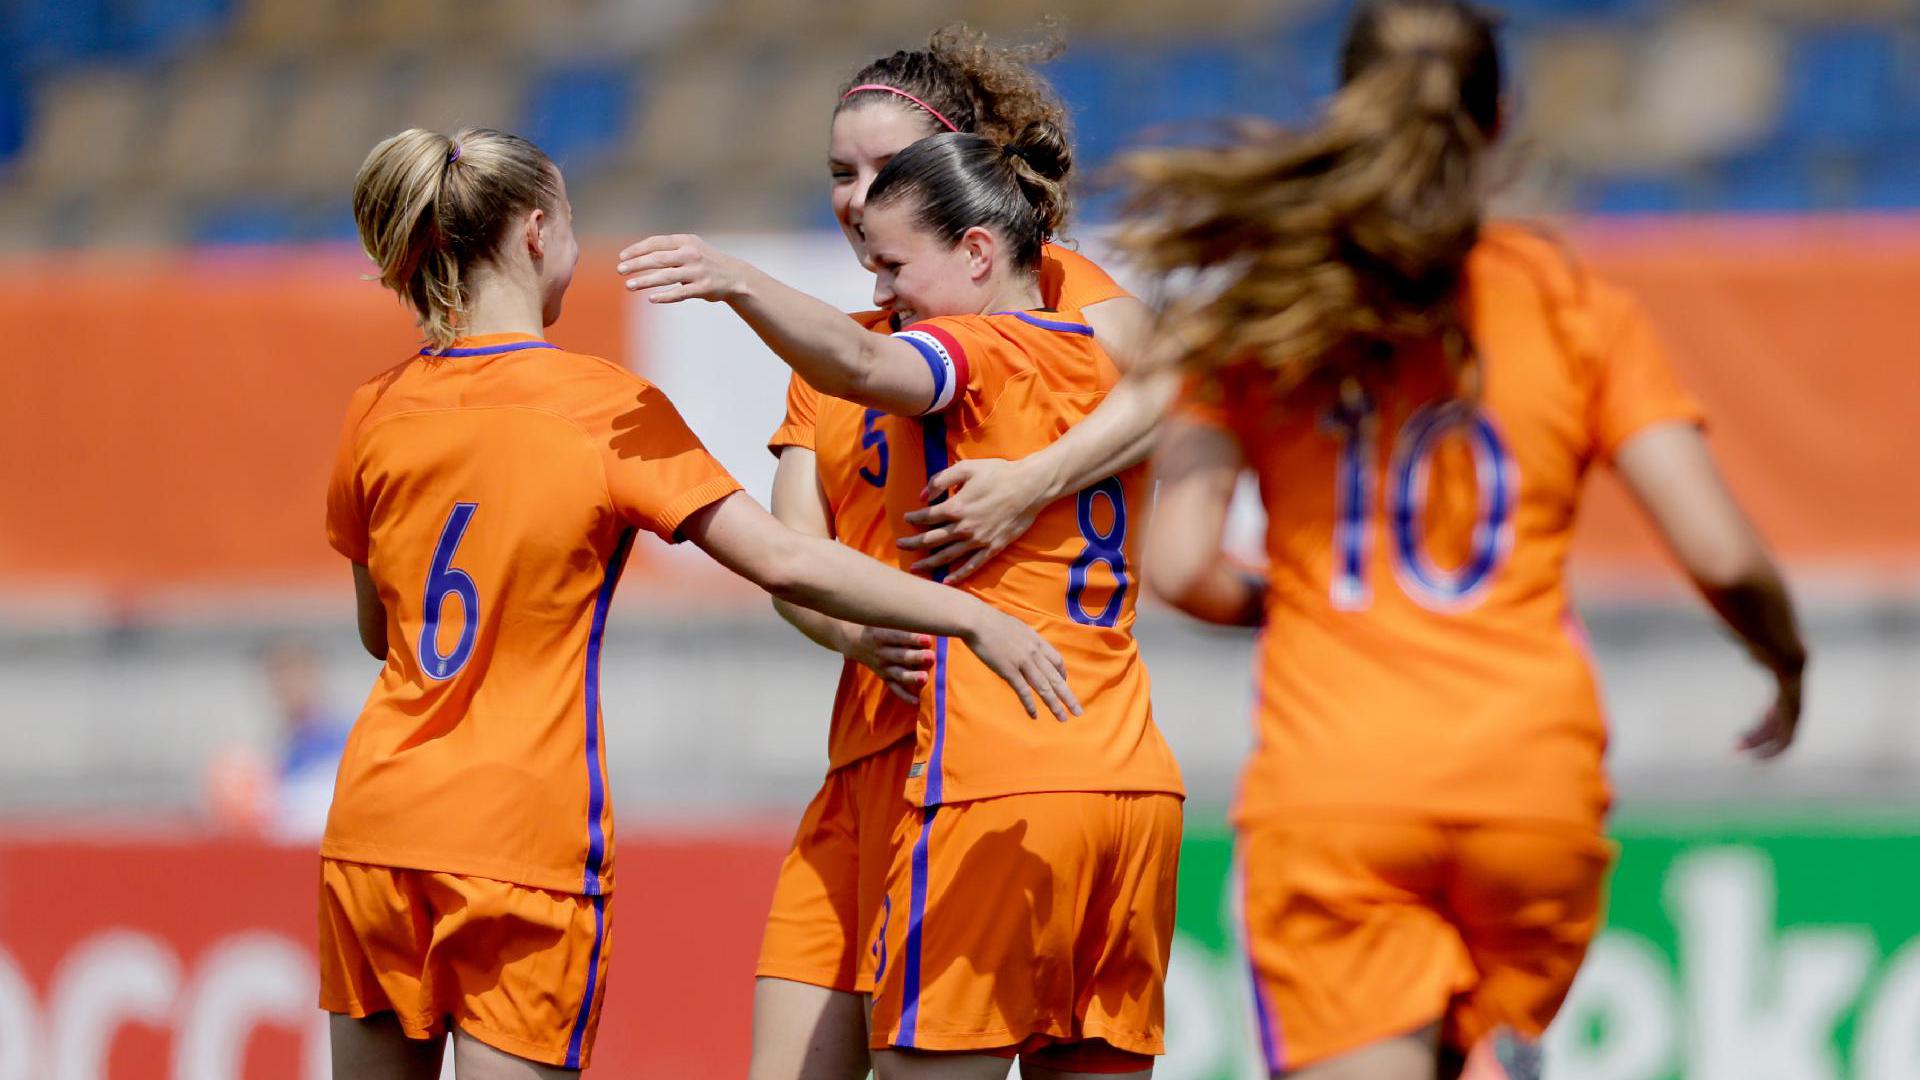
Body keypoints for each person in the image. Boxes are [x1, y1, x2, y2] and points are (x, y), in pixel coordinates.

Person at [1114, 3, 1810, 1078]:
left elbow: (1179, 568)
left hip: (1340, 785)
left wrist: (1304, 598)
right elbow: (1720, 554)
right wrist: (1784, 660)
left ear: (1347, 108)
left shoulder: (1262, 308)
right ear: (1501, 119)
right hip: (1532, 788)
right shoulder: (1570, 300)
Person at [323, 125, 1076, 1080]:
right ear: (538, 232)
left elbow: (377, 628)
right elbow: (783, 559)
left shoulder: (375, 408)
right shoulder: (604, 406)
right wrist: (971, 613)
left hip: (375, 821)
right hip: (520, 837)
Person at [659, 25, 1172, 1080]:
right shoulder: (861, 344)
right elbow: (791, 563)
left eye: (885, 172)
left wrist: (1034, 478)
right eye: (839, 174)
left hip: (978, 763)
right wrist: (858, 628)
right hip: (887, 764)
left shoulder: (1006, 308)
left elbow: (1177, 378)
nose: (855, 198)